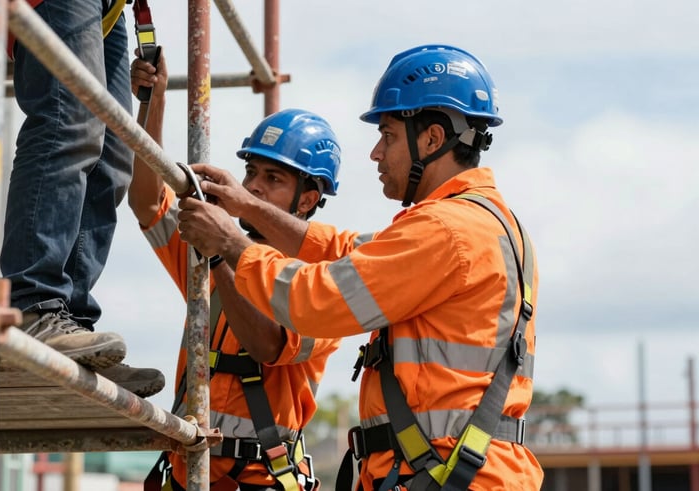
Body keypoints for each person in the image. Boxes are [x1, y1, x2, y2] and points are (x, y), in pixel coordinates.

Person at [175, 44, 543, 491]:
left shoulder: (446, 231)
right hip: (459, 471)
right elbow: (341, 248)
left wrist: (230, 243)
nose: (375, 153)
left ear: (431, 138)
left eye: (387, 134)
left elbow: (320, 298)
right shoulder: (486, 223)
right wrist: (249, 206)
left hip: (442, 473)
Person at [130, 50, 343, 491]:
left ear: (307, 199)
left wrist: (219, 253)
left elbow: (266, 344)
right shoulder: (214, 244)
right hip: (188, 471)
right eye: (251, 172)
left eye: (273, 178)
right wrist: (154, 103)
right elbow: (148, 202)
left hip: (261, 477)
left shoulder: (327, 276)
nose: (252, 187)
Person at [0, 0, 164, 396]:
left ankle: (71, 320)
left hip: (110, 8)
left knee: (113, 155)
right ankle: (34, 303)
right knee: (67, 120)